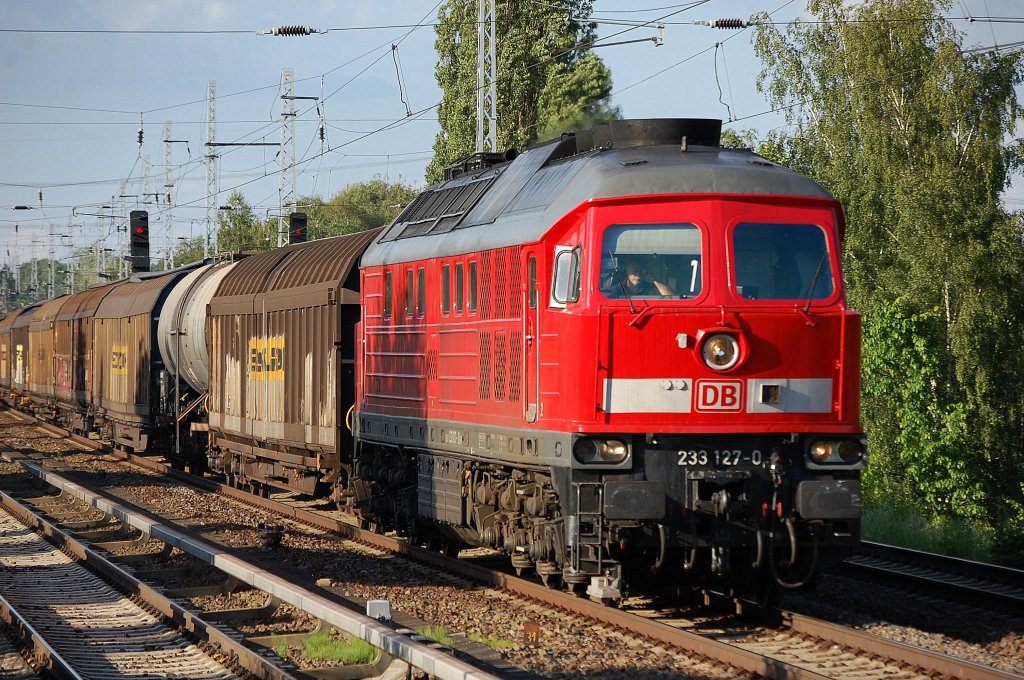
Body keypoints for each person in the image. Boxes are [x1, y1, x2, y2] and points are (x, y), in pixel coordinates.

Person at [607, 258, 675, 297]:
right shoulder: (618, 288)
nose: (638, 274)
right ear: (627, 270)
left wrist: (654, 279)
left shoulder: (650, 288)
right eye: (635, 271)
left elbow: (671, 298)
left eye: (641, 271)